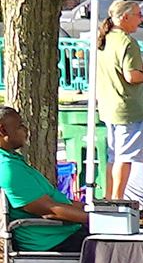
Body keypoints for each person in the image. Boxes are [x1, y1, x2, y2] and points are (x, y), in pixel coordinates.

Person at [0, 107, 86, 250]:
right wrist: (95, 219)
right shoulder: (8, 168)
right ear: (3, 130)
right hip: (54, 242)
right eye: (20, 126)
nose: (26, 130)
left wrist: (92, 209)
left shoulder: (12, 160)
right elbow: (50, 210)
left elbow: (56, 200)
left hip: (63, 234)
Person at [94, 0, 143, 200]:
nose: (141, 20)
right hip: (127, 108)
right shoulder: (127, 42)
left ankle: (110, 197)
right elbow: (131, 76)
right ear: (125, 17)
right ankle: (118, 200)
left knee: (113, 157)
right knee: (124, 159)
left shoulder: (105, 38)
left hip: (108, 106)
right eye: (137, 15)